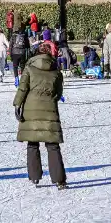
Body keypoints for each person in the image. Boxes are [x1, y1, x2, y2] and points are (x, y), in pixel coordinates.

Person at [14, 43, 67, 190]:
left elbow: (23, 88)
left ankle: (35, 176)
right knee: (52, 145)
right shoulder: (56, 71)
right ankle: (59, 180)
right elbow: (58, 94)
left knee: (32, 143)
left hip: (31, 109)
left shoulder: (29, 68)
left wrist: (17, 104)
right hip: (49, 109)